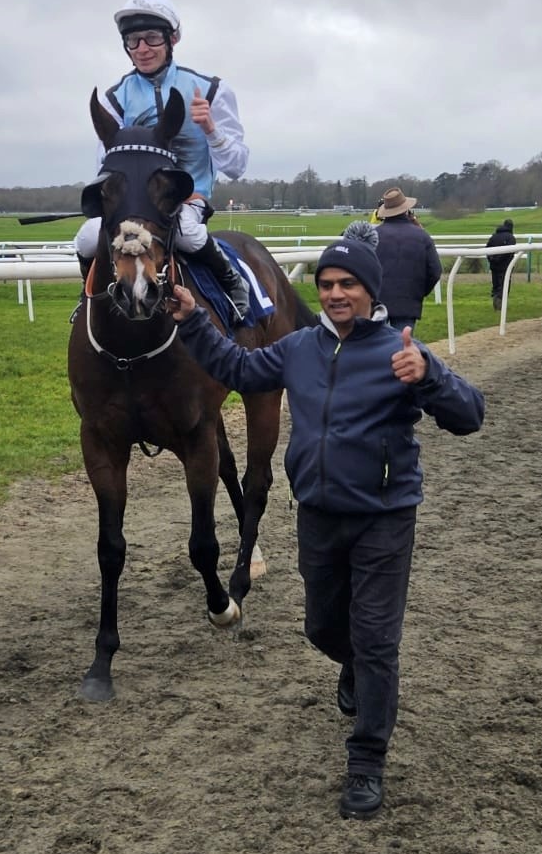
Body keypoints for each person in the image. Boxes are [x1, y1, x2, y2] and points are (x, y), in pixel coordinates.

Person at [168, 232, 484, 820]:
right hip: (316, 512)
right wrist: (191, 321)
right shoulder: (299, 349)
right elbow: (236, 367)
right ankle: (355, 668)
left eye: (349, 285)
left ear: (370, 291)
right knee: (322, 629)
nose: (337, 294)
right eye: (328, 285)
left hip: (384, 518)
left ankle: (366, 760)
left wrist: (430, 377)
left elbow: (470, 415)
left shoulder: (402, 351)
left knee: (376, 639)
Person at [74, 0, 250, 323]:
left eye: (151, 38)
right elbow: (106, 168)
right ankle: (88, 300)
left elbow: (238, 167)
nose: (142, 49)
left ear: (172, 39)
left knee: (187, 232)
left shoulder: (211, 90)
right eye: (133, 41)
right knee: (85, 239)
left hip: (188, 199)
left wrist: (211, 128)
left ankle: (233, 283)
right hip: (134, 207)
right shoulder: (115, 97)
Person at [374, 187, 442, 331]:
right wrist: (418, 292)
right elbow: (435, 271)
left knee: (377, 347)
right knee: (403, 347)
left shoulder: (373, 236)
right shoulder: (422, 236)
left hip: (377, 302)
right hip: (408, 302)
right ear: (407, 210)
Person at [486, 218, 516, 310]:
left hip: (494, 265)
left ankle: (496, 297)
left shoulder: (494, 236)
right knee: (505, 284)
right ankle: (500, 300)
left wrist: (492, 260)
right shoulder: (511, 237)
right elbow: (510, 252)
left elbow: (487, 249)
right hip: (505, 266)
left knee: (496, 284)